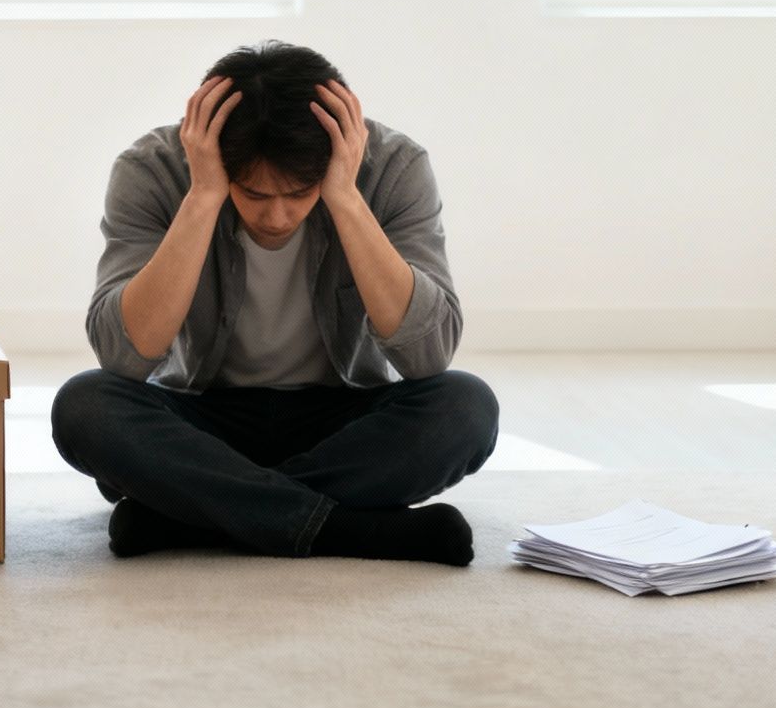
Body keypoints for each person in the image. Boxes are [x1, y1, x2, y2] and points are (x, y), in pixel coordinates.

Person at [50, 40, 498, 565]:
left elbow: (428, 356)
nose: (278, 218)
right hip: (204, 417)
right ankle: (349, 529)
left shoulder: (393, 167)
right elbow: (125, 357)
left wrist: (345, 198)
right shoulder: (153, 170)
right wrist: (203, 196)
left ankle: (197, 516)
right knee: (85, 407)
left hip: (342, 418)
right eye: (255, 195)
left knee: (466, 407)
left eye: (300, 193)